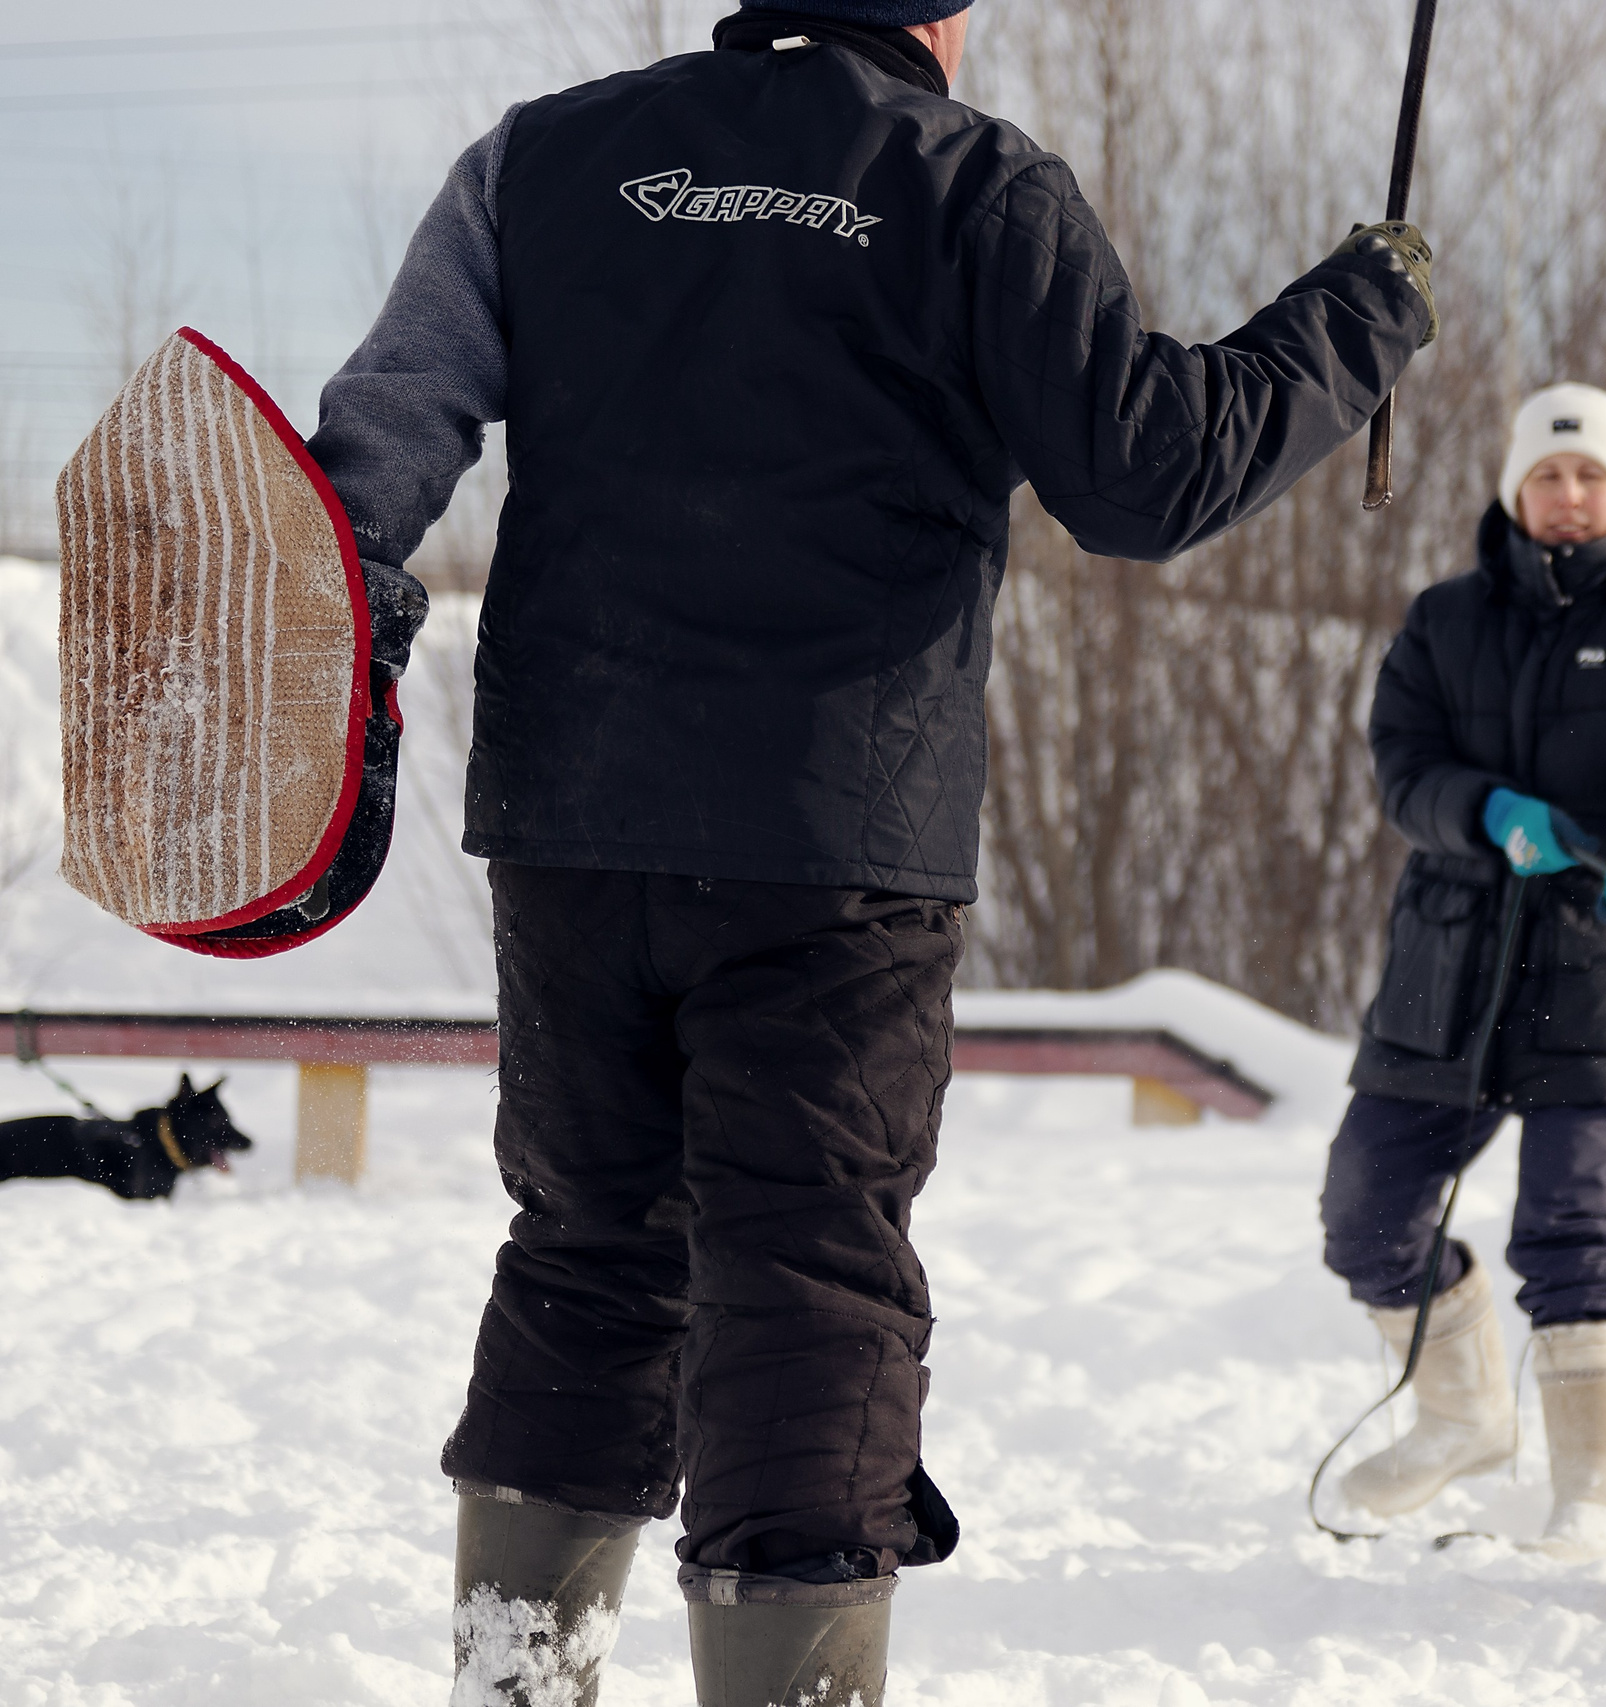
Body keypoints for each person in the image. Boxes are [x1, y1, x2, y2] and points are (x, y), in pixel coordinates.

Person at [305, 5, 1435, 1702]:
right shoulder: (977, 183)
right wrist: (1362, 313)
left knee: (590, 1238)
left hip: (575, 820)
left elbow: (390, 423)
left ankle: (516, 1674)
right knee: (805, 1275)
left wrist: (336, 618)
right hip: (836, 838)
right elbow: (1149, 472)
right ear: (945, 13)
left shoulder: (543, 155)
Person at [1319, 382, 1606, 1560]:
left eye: (1590, 477)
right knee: (1364, 1216)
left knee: (1569, 1222)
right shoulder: (1443, 620)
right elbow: (1401, 761)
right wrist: (1484, 809)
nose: (1569, 497)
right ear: (1515, 490)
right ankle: (1460, 1421)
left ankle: (1595, 1495)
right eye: (1547, 477)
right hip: (1447, 962)